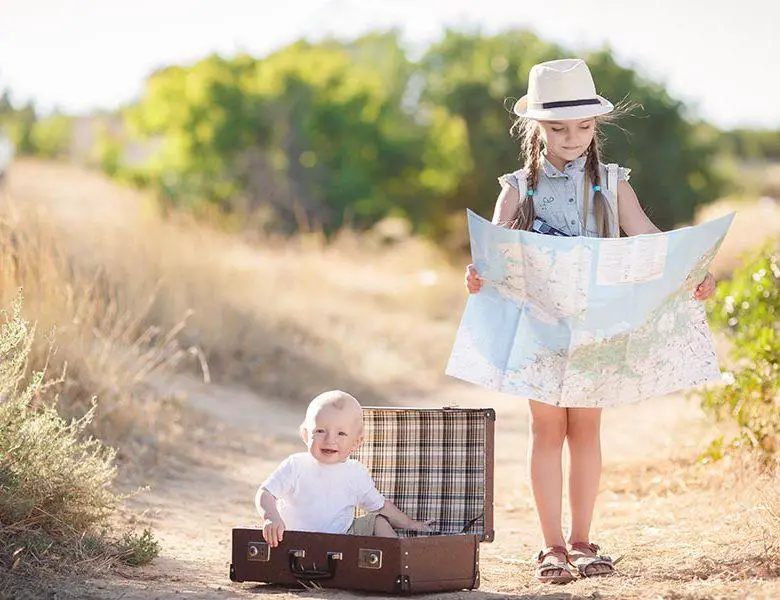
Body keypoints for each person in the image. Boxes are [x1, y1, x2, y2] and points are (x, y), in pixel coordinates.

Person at [464, 59, 716, 584]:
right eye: (558, 128)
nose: (572, 137)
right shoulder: (517, 186)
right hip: (540, 326)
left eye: (583, 126)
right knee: (545, 427)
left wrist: (691, 272)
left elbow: (646, 236)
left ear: (596, 125)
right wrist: (477, 275)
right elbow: (494, 252)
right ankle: (550, 545)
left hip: (597, 325)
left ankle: (582, 539)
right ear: (537, 127)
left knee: (586, 427)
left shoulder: (612, 182)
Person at [256, 390, 435, 546]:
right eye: (320, 431)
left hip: (342, 540)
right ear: (305, 434)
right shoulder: (296, 465)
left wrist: (411, 524)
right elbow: (265, 493)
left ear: (356, 442)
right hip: (293, 538)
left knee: (378, 521)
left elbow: (381, 507)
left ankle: (398, 561)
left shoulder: (355, 473)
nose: (329, 440)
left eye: (341, 433)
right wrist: (271, 517)